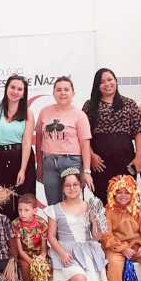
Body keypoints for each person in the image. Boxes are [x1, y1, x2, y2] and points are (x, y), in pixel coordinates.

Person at [47, 169, 109, 281]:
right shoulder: (55, 209)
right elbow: (51, 236)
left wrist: (96, 221)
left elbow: (97, 236)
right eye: (68, 185)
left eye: (75, 184)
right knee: (80, 280)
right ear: (62, 188)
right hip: (67, 252)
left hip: (88, 251)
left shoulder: (90, 206)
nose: (72, 188)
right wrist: (62, 253)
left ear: (81, 186)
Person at [83, 68, 141, 203]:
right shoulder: (89, 105)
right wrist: (91, 155)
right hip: (100, 162)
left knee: (125, 198)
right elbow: (83, 135)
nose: (107, 84)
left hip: (125, 160)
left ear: (116, 81)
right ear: (97, 86)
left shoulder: (129, 103)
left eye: (110, 80)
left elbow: (139, 130)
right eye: (102, 82)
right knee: (104, 199)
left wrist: (139, 156)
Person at [36, 76, 94, 205]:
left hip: (72, 162)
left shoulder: (80, 115)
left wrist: (86, 171)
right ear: (53, 93)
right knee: (53, 204)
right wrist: (39, 165)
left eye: (66, 90)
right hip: (49, 164)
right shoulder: (44, 112)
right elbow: (39, 139)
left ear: (73, 93)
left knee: (72, 202)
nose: (63, 93)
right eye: (59, 90)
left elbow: (85, 145)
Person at [0, 75, 35, 220]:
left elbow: (27, 142)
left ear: (24, 93)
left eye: (20, 89)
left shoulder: (28, 113)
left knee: (23, 199)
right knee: (2, 200)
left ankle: (24, 232)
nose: (15, 91)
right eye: (12, 87)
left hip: (21, 158)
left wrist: (23, 169)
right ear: (6, 88)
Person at [13, 195, 50, 281]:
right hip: (24, 255)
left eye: (26, 210)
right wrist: (32, 262)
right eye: (20, 210)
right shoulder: (16, 224)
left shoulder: (42, 223)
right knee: (25, 268)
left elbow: (44, 249)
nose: (22, 213)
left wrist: (42, 257)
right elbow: (20, 251)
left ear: (35, 210)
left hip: (38, 254)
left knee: (44, 270)